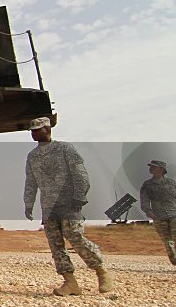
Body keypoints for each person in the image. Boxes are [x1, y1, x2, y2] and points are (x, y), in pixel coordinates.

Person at [23, 116, 115, 296]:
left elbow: (80, 173)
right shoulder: (32, 156)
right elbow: (31, 182)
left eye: (37, 129)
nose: (34, 133)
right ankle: (70, 282)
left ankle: (101, 272)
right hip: (48, 206)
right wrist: (28, 203)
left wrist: (80, 195)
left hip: (68, 202)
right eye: (32, 130)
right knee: (56, 244)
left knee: (75, 235)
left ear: (48, 129)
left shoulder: (65, 148)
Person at [140, 159, 176, 272]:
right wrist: (148, 211)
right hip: (158, 215)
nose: (150, 168)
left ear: (161, 169)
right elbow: (144, 199)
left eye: (153, 167)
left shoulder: (172, 183)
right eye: (150, 166)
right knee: (168, 241)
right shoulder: (147, 185)